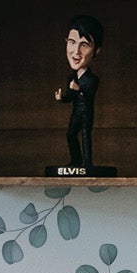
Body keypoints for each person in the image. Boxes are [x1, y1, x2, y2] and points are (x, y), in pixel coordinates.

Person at [51, 15, 103, 177]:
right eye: (72, 42)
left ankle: (87, 164)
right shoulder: (72, 78)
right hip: (76, 112)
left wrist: (79, 89)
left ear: (96, 51)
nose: (76, 52)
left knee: (86, 136)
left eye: (84, 45)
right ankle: (75, 161)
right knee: (70, 134)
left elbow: (88, 94)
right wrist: (62, 98)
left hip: (86, 112)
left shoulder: (92, 79)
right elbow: (71, 96)